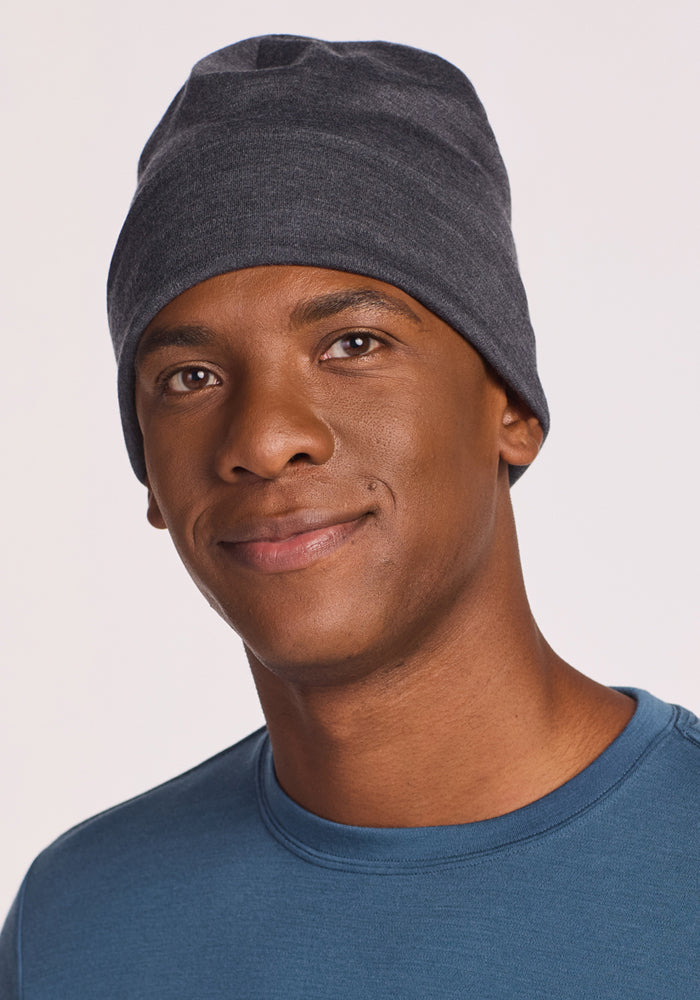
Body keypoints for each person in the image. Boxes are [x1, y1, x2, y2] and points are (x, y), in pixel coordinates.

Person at [1, 34, 697, 999]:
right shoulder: (78, 923)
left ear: (515, 411)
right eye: (190, 378)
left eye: (353, 343)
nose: (266, 436)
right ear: (154, 483)